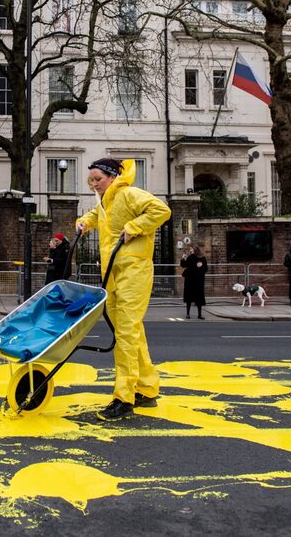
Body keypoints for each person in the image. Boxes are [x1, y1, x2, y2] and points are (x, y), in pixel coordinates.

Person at [77, 157, 171, 421]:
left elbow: (161, 210)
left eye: (98, 179)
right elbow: (98, 216)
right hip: (114, 272)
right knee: (130, 332)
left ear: (112, 176)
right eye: (91, 181)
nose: (94, 185)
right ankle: (147, 388)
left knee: (127, 335)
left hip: (134, 271)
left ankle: (124, 397)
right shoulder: (106, 201)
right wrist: (84, 222)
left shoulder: (130, 193)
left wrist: (134, 227)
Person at [180, 244, 208, 320]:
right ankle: (188, 314)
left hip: (198, 280)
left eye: (191, 249)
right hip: (189, 280)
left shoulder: (202, 258)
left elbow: (206, 269)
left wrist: (201, 266)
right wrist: (183, 258)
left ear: (196, 250)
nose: (190, 250)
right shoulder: (189, 258)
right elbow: (183, 265)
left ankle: (199, 314)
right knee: (188, 297)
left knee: (199, 297)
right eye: (190, 249)